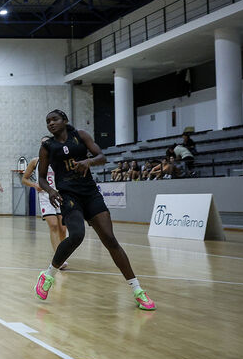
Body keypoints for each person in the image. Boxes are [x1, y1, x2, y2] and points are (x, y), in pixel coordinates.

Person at [34, 109, 156, 311]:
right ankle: (47, 275)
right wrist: (50, 191)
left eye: (54, 119)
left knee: (109, 239)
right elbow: (40, 178)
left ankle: (138, 291)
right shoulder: (47, 146)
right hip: (68, 196)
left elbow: (102, 156)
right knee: (77, 236)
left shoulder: (80, 135)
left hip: (90, 193)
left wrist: (88, 161)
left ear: (64, 120)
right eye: (47, 121)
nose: (51, 123)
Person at [20, 146, 68, 269]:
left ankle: (62, 254)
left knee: (63, 228)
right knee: (53, 225)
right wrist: (35, 185)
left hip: (59, 194)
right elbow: (24, 179)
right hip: (45, 196)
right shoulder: (35, 162)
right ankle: (58, 259)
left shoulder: (59, 160)